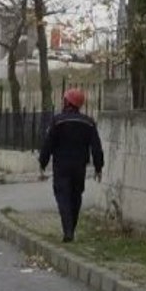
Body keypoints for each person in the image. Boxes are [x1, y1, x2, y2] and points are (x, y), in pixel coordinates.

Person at [39, 89, 104, 243]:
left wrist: (42, 163)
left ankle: (68, 230)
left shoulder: (58, 121)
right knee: (76, 196)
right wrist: (98, 167)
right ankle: (71, 228)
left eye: (64, 100)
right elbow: (96, 147)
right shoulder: (88, 122)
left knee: (63, 196)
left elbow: (48, 143)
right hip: (79, 166)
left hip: (61, 165)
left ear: (68, 102)